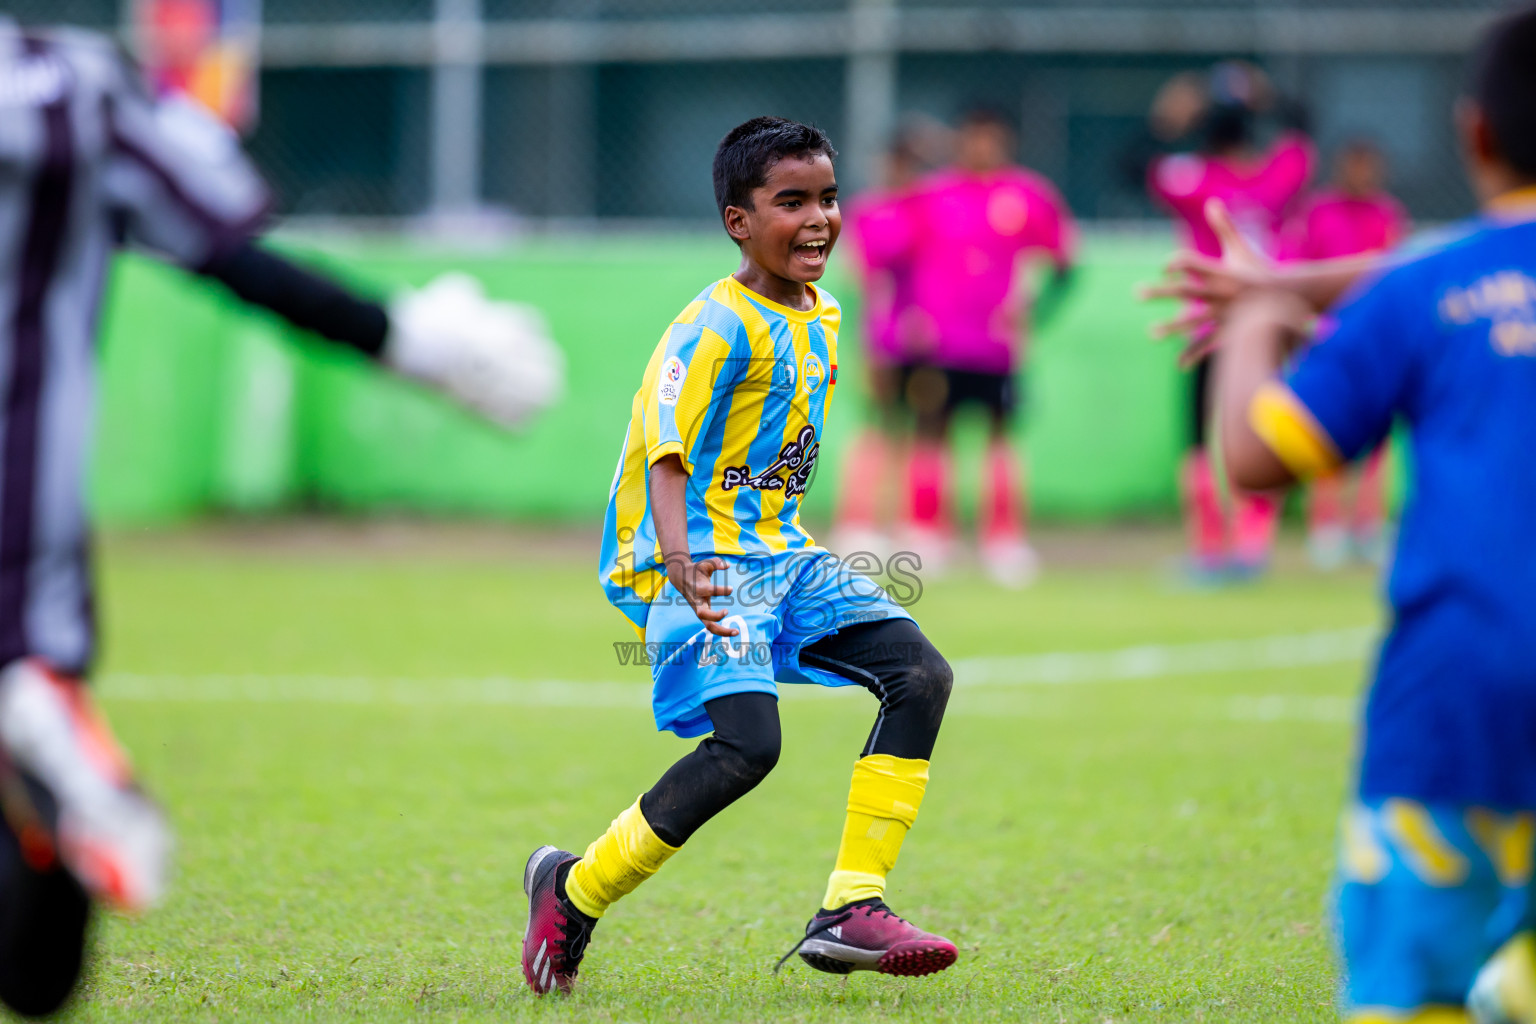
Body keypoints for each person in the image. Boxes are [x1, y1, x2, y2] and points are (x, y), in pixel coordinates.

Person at [0, 20, 562, 1018]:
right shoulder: (67, 90)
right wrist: (417, 343)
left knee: (39, 963)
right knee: (38, 972)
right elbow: (230, 251)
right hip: (23, 569)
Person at [1149, 7, 1536, 1018]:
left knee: (1415, 989)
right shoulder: (1419, 281)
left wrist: (1254, 320)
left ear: (1475, 133)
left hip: (1460, 704)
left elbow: (1256, 455)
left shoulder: (1429, 291)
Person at [520, 117, 957, 995]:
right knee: (747, 749)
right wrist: (678, 558)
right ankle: (572, 890)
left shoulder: (826, 313)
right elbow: (665, 445)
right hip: (703, 559)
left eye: (829, 198)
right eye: (791, 201)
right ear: (738, 221)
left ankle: (850, 906)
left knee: (920, 674)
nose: (819, 219)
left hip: (784, 558)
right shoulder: (709, 326)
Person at [1145, 62, 1315, 580]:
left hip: (1209, 322)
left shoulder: (1196, 180)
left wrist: (1165, 119)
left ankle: (1208, 545)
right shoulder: (1275, 177)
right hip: (1268, 322)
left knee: (1199, 436)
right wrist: (1270, 95)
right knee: (1266, 428)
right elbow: (1304, 130)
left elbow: (1135, 165)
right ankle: (1253, 543)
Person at [897, 107, 1076, 586]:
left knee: (1001, 438)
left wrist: (1034, 314)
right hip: (940, 343)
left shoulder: (1028, 195)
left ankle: (1003, 539)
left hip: (999, 347)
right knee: (932, 433)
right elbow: (900, 261)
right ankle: (928, 534)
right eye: (973, 137)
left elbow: (1065, 263)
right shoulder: (930, 195)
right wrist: (910, 316)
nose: (982, 147)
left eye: (991, 138)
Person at [1278, 140, 1408, 569]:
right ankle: (1327, 527)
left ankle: (1369, 526)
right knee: (1326, 432)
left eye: (1368, 166)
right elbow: (1295, 269)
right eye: (1354, 165)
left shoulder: (1387, 215)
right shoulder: (1317, 212)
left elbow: (1397, 275)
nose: (1362, 174)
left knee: (1379, 443)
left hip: (1377, 342)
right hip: (1328, 339)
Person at [829, 133, 924, 559]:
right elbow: (862, 276)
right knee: (876, 425)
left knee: (911, 430)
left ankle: (903, 523)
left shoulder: (925, 209)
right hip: (882, 337)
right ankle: (858, 521)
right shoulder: (866, 212)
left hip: (923, 337)